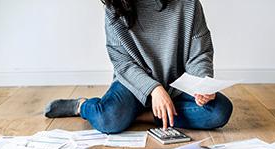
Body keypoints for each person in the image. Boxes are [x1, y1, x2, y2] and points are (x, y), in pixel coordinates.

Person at [44, 0, 233, 133]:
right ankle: (82, 106)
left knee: (219, 111)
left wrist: (201, 86)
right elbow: (122, 62)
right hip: (134, 85)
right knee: (107, 119)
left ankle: (141, 115)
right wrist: (154, 89)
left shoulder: (189, 3)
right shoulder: (115, 6)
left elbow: (200, 52)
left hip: (177, 86)